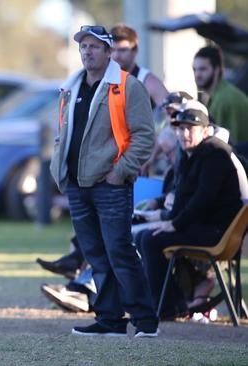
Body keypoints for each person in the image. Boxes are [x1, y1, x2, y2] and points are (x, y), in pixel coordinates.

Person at [50, 25, 158, 337]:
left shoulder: (127, 85)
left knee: (120, 252)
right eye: (83, 46)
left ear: (109, 52)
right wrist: (58, 169)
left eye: (95, 46)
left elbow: (144, 136)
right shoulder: (71, 86)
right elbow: (63, 134)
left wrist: (120, 172)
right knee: (95, 255)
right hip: (77, 185)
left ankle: (146, 321)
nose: (87, 51)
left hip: (110, 184)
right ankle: (110, 320)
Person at [137, 100, 243, 318]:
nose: (184, 133)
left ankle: (166, 309)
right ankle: (175, 304)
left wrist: (173, 224)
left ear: (205, 130)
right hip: (201, 225)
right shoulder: (189, 154)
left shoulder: (215, 153)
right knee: (144, 237)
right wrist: (166, 219)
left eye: (190, 128)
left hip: (217, 232)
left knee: (150, 240)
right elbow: (183, 197)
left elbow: (202, 201)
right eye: (180, 128)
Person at [193, 46, 248, 154]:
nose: (197, 75)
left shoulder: (226, 99)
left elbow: (231, 148)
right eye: (195, 69)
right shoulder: (211, 97)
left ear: (217, 70)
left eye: (203, 69)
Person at [110, 24, 168, 108]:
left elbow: (169, 114)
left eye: (122, 50)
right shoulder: (103, 79)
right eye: (112, 50)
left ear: (135, 50)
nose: (116, 56)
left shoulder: (147, 81)